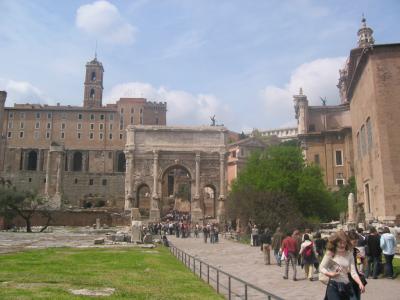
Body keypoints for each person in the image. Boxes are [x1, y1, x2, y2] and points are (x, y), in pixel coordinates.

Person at [319, 231, 365, 300]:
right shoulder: (331, 252)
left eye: (345, 242)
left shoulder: (349, 253)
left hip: (346, 285)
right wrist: (330, 274)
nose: (343, 245)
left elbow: (353, 272)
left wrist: (360, 283)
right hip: (333, 285)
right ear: (336, 242)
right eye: (340, 243)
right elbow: (321, 267)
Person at [348, 230, 368, 300]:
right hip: (347, 278)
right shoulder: (344, 251)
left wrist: (363, 259)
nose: (356, 244)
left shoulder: (356, 250)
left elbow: (363, 263)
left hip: (356, 277)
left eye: (357, 242)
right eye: (354, 242)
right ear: (348, 240)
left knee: (357, 297)